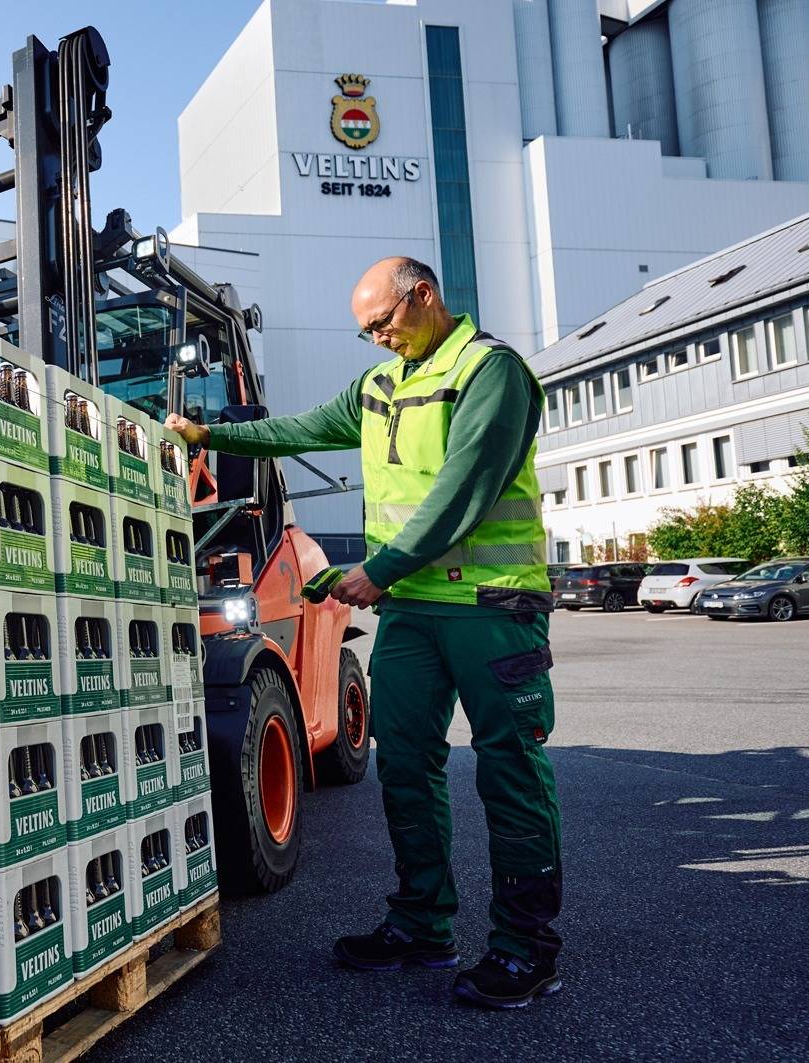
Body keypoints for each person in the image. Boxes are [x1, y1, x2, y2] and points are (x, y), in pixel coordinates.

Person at [164, 257, 564, 1009]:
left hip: (490, 606)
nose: (377, 338)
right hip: (412, 610)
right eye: (366, 330)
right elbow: (304, 428)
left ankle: (525, 949)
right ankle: (422, 924)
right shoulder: (380, 386)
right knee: (404, 764)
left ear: (424, 295)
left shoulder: (490, 372)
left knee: (509, 768)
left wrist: (377, 570)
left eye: (384, 322)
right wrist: (211, 433)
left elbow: (465, 490)